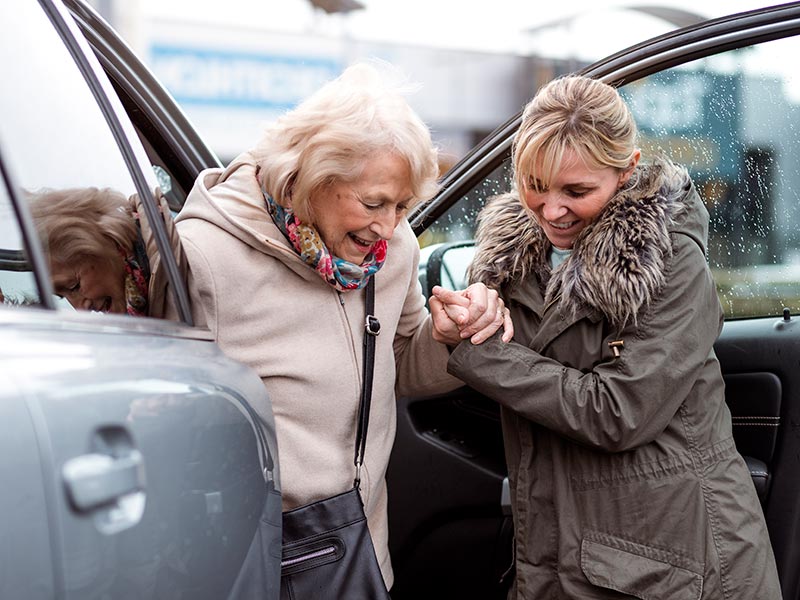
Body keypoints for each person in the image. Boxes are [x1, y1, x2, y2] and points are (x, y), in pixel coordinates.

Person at [439, 75, 781, 598]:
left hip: (679, 562)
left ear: (627, 171)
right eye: (535, 184)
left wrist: (480, 350)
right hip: (560, 552)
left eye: (577, 191)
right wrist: (466, 315)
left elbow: (618, 411)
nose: (551, 211)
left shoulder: (669, 262)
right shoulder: (509, 260)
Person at [175, 61, 511, 591]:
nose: (388, 226)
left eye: (402, 206)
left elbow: (398, 365)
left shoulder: (390, 249)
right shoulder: (204, 256)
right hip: (259, 562)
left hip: (363, 552)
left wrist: (446, 338)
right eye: (373, 202)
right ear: (307, 177)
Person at [27, 186, 180, 318]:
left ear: (105, 241)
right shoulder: (139, 307)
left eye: (74, 286)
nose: (80, 309)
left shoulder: (192, 263)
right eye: (62, 297)